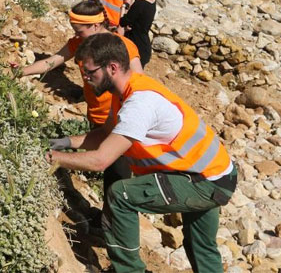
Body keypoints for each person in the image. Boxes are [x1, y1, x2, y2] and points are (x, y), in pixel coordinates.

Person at [46, 33, 237, 273]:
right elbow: (106, 134)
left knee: (121, 196)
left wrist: (53, 159)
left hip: (205, 180)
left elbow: (101, 160)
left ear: (112, 67)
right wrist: (66, 142)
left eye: (90, 72)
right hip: (213, 172)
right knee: (201, 245)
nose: (85, 78)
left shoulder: (139, 104)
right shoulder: (127, 91)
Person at [21, 0, 142, 196]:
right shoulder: (81, 42)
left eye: (79, 31)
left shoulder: (122, 47)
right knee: (109, 178)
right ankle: (105, 218)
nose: (76, 35)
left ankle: (112, 222)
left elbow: (139, 82)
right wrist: (22, 71)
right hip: (97, 118)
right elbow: (53, 62)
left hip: (119, 122)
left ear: (95, 25)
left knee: (117, 177)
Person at [119, 0, 157, 67]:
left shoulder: (140, 4)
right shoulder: (152, 1)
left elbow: (123, 22)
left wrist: (123, 9)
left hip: (134, 46)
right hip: (144, 44)